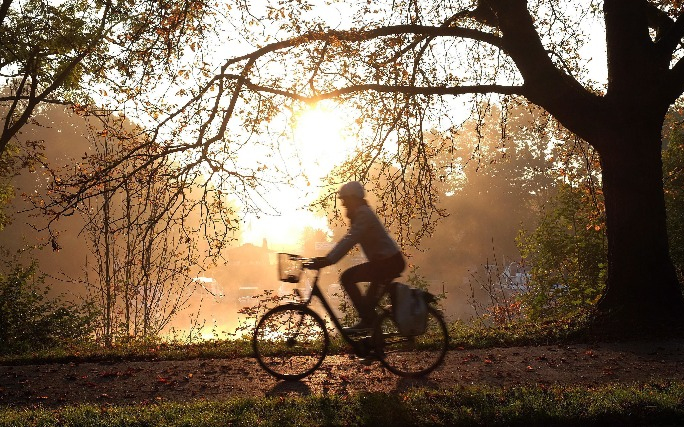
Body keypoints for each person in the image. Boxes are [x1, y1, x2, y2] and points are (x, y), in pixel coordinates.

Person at [310, 181, 405, 331]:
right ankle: (372, 334)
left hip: (388, 263)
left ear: (354, 198)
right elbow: (349, 238)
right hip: (383, 263)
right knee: (367, 305)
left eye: (345, 200)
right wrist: (327, 258)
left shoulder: (363, 214)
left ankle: (368, 323)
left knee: (347, 278)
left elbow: (350, 239)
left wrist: (329, 259)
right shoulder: (361, 213)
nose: (343, 205)